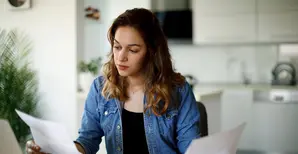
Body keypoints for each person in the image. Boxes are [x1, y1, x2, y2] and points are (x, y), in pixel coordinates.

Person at [25, 8, 201, 154]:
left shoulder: (178, 90)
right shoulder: (100, 88)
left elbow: (191, 148)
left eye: (132, 50)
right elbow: (87, 141)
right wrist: (54, 150)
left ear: (152, 51)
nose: (121, 57)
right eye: (117, 47)